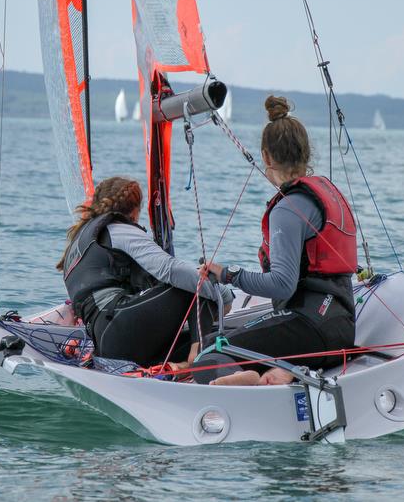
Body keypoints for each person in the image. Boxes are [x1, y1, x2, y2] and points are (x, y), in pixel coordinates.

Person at [196, 95, 357, 385]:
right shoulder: (325, 192)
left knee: (209, 349)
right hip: (342, 327)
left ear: (266, 157)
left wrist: (227, 274)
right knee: (247, 339)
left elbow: (283, 284)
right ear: (306, 153)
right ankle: (281, 371)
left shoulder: (287, 209)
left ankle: (253, 379)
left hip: (310, 327)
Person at [58, 176, 233, 368]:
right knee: (195, 283)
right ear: (135, 211)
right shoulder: (119, 230)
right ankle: (195, 358)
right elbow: (171, 270)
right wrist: (221, 295)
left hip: (107, 342)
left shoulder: (79, 241)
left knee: (192, 290)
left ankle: (179, 360)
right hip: (120, 328)